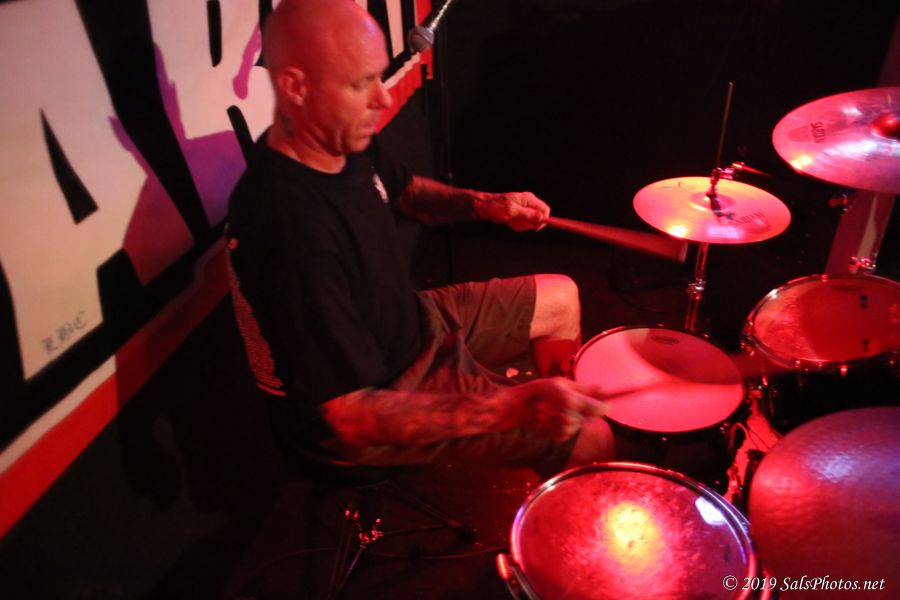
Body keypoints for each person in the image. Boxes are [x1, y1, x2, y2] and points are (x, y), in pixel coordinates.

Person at [226, 0, 614, 477]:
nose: (382, 98)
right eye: (360, 83)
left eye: (378, 76)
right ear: (296, 87)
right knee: (591, 437)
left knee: (562, 297)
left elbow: (406, 191)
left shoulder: (334, 136)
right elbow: (352, 419)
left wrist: (487, 205)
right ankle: (559, 460)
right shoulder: (288, 228)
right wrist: (514, 409)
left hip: (415, 323)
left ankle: (554, 437)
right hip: (383, 395)